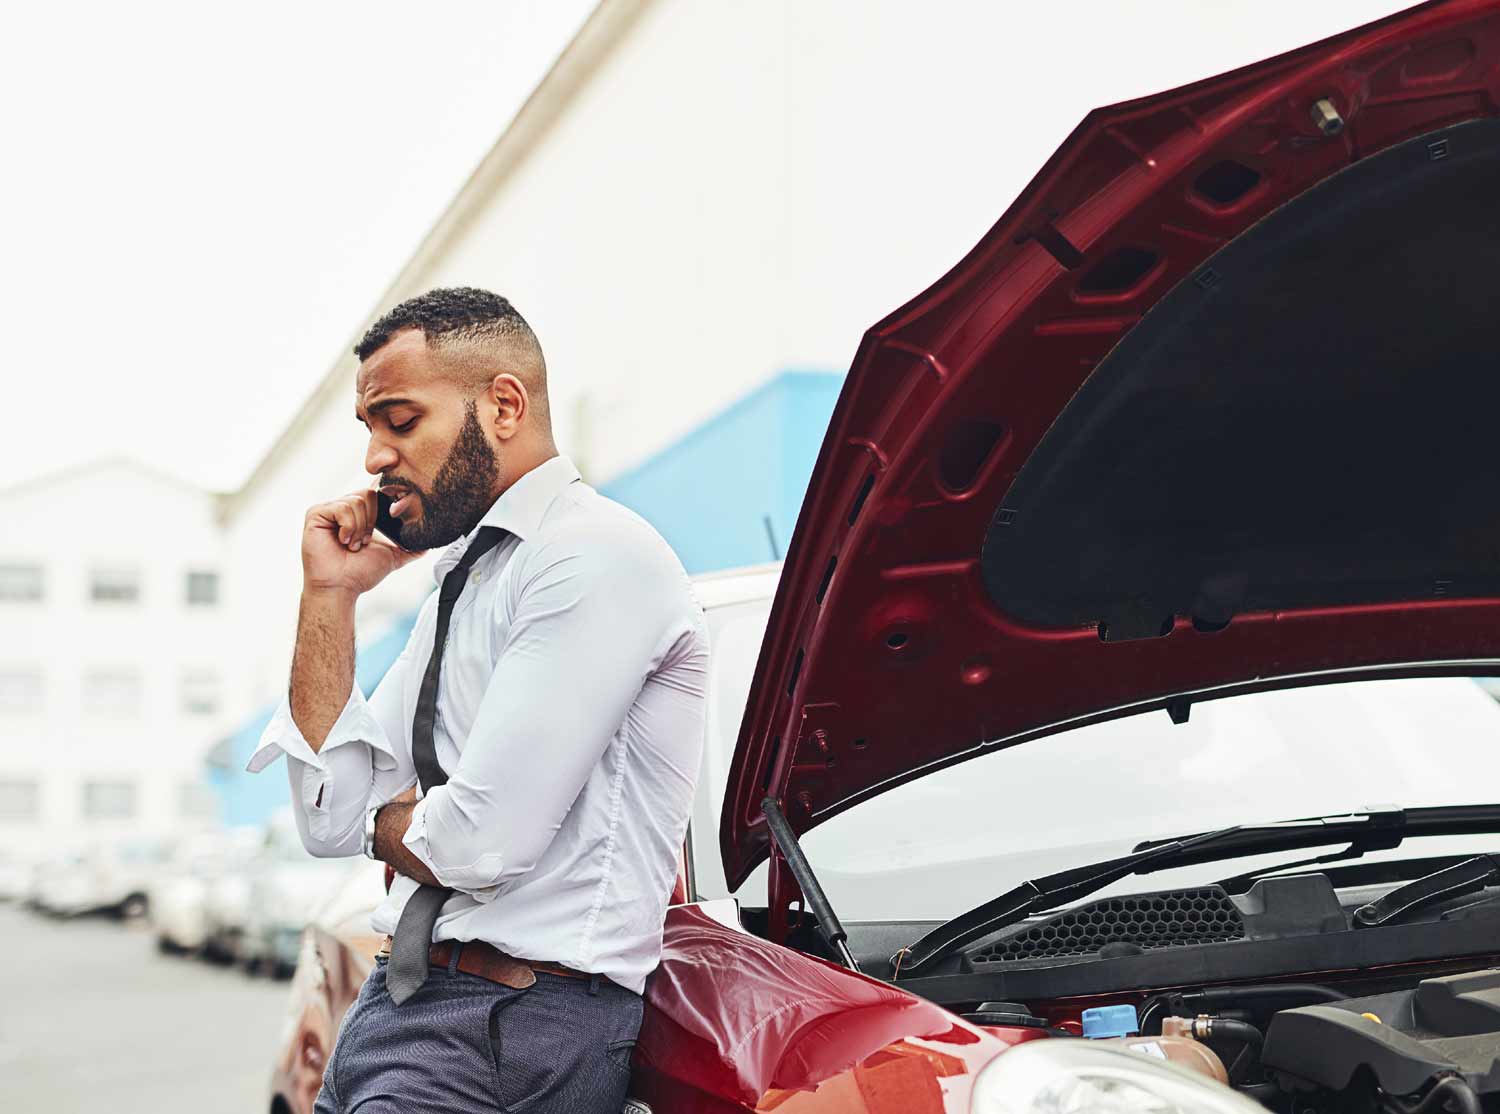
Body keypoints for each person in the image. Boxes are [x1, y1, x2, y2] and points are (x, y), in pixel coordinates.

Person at [247, 286, 708, 1113]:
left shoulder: (594, 557)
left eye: (400, 420)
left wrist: (382, 821)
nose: (375, 459)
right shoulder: (469, 577)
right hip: (405, 1006)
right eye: (370, 429)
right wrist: (329, 597)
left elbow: (474, 845)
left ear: (503, 405)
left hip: (506, 1028)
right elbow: (325, 815)